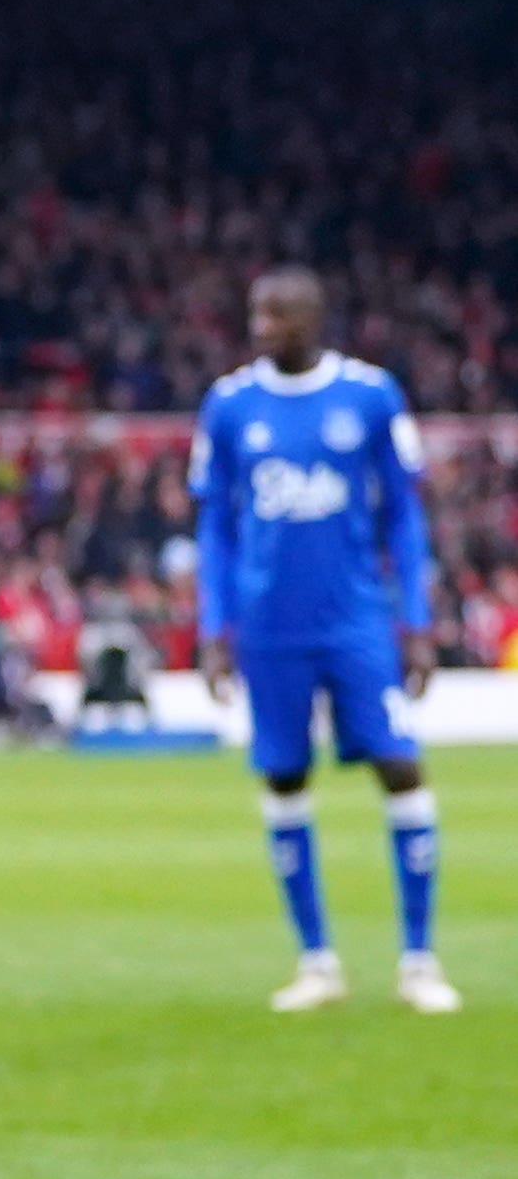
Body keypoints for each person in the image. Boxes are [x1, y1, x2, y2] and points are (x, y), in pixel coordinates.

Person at [196, 265, 450, 1011]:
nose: (261, 327)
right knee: (283, 778)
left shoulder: (370, 396)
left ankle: (420, 960)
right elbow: (214, 525)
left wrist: (418, 621)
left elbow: (404, 515)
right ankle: (317, 962)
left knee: (400, 767)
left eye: (276, 315)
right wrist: (215, 627)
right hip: (270, 628)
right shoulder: (230, 406)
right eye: (256, 313)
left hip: (357, 620)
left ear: (313, 318)